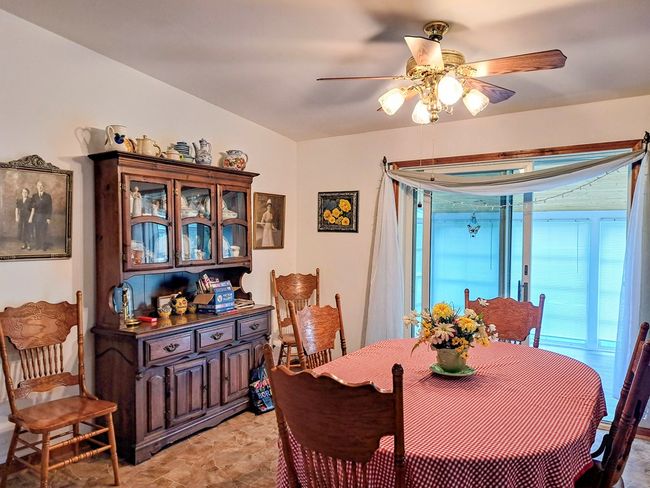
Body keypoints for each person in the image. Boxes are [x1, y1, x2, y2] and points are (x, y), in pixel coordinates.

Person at [29, 181, 53, 251]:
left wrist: (48, 218)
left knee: (43, 231)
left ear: (43, 187)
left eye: (41, 185)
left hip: (44, 216)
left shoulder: (48, 196)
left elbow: (50, 208)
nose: (40, 187)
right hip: (36, 216)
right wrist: (33, 206)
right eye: (38, 185)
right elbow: (30, 206)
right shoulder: (34, 196)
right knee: (37, 231)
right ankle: (37, 245)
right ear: (36, 187)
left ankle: (43, 246)